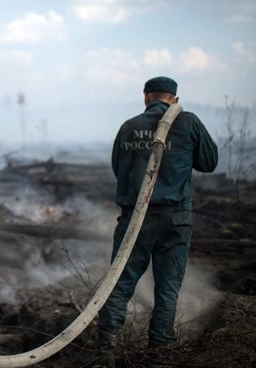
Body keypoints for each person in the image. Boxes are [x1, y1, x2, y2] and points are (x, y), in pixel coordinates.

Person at [96, 76, 218, 365]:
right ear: (173, 99)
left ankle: (104, 354)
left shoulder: (129, 126)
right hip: (175, 221)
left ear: (146, 97)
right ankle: (159, 358)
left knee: (118, 284)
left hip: (135, 221)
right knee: (167, 291)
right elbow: (209, 162)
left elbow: (119, 169)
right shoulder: (188, 122)